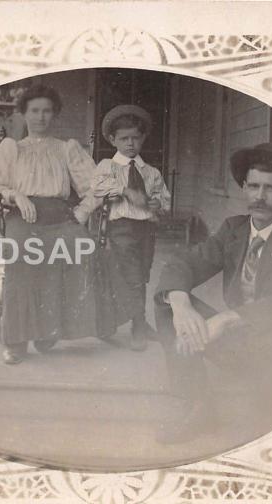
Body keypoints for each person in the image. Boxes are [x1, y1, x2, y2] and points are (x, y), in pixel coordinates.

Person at [153, 142, 272, 442]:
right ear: (244, 188)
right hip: (241, 343)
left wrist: (225, 320)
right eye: (253, 186)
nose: (259, 197)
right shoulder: (234, 229)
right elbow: (185, 262)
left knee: (264, 434)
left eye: (270, 189)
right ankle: (199, 406)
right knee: (168, 303)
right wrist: (182, 308)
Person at [0, 85, 100, 365]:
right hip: (24, 218)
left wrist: (81, 212)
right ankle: (16, 341)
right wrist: (16, 195)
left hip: (60, 217)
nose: (41, 117)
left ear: (54, 114)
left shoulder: (66, 148)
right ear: (23, 114)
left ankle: (48, 330)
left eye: (46, 111)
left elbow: (97, 186)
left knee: (81, 250)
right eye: (34, 111)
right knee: (21, 265)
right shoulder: (12, 148)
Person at [93, 105, 171, 351]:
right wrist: (126, 192)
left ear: (143, 138)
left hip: (145, 229)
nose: (130, 144)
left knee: (141, 275)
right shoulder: (108, 167)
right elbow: (97, 188)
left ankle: (133, 322)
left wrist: (158, 203)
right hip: (120, 229)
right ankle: (137, 325)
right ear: (113, 139)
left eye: (135, 138)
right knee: (129, 277)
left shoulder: (151, 172)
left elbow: (165, 199)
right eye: (124, 138)